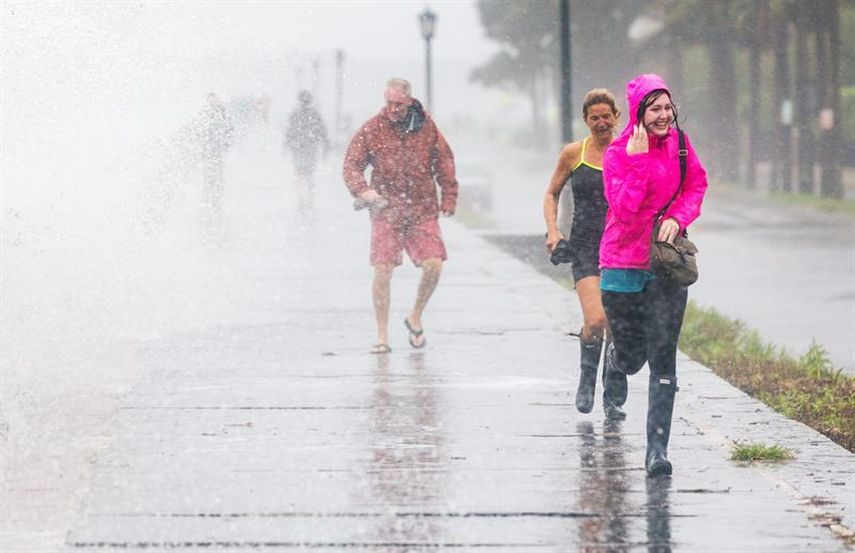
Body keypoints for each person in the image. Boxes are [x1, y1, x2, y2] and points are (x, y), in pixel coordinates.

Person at [599, 73, 708, 476]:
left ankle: (656, 451)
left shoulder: (681, 145)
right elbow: (624, 211)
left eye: (667, 107)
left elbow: (696, 185)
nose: (664, 116)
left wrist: (678, 218)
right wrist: (641, 161)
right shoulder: (617, 153)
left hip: (665, 267)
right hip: (622, 267)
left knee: (663, 359)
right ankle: (616, 359)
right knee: (632, 359)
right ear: (638, 113)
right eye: (654, 109)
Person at [343, 78, 458, 354]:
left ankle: (415, 315)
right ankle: (382, 335)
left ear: (409, 102)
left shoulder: (426, 126)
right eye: (389, 103)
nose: (393, 109)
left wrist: (449, 196)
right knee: (383, 269)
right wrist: (364, 190)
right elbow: (351, 165)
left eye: (398, 104)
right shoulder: (372, 128)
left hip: (421, 207)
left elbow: (444, 160)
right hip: (386, 209)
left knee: (434, 265)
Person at [543, 89, 620, 415]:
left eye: (606, 116)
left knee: (617, 324)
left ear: (617, 117)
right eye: (594, 118)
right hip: (586, 245)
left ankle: (612, 394)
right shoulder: (574, 153)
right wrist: (553, 230)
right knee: (596, 318)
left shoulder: (629, 151)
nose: (601, 123)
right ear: (586, 121)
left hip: (622, 247)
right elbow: (552, 193)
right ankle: (586, 380)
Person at [284, 91, 329, 211]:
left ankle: (302, 199)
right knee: (309, 174)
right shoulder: (314, 114)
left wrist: (286, 146)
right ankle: (308, 198)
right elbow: (322, 132)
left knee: (300, 174)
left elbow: (289, 132)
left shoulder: (296, 115)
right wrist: (325, 146)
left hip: (299, 148)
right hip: (309, 148)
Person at [196, 92, 233, 225]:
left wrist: (224, 144)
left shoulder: (218, 114)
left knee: (215, 173)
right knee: (211, 173)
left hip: (215, 150)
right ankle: (211, 195)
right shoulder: (208, 114)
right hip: (210, 150)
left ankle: (213, 195)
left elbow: (229, 130)